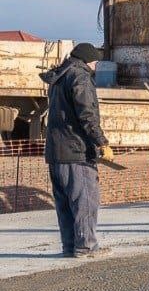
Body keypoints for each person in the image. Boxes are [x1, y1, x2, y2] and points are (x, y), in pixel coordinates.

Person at [41, 42, 113, 257]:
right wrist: (102, 142)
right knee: (85, 201)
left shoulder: (59, 76)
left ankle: (70, 246)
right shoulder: (80, 77)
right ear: (89, 60)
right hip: (76, 151)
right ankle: (86, 246)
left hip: (55, 151)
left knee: (64, 204)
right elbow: (87, 115)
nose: (96, 66)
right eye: (95, 61)